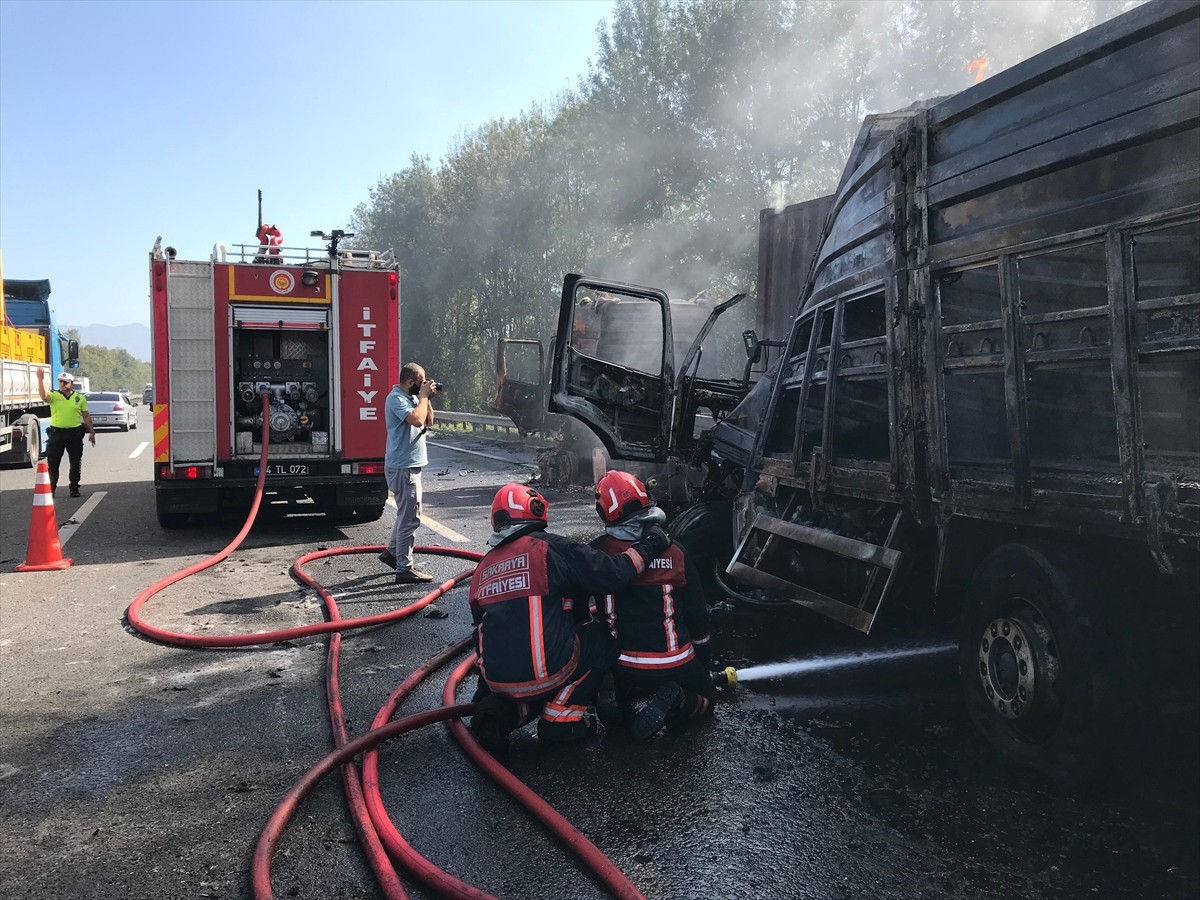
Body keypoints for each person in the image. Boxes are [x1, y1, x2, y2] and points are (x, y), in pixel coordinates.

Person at [468, 482, 671, 757]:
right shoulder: (551, 549)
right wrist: (651, 544)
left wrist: (485, 691)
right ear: (536, 510)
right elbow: (613, 574)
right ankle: (561, 719)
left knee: (527, 681)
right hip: (548, 672)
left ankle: (501, 716)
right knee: (600, 639)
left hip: (499, 682)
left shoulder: (482, 569)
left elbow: (482, 635)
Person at [587, 470, 716, 740]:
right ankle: (679, 701)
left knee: (596, 640)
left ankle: (613, 696)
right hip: (676, 662)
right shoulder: (676, 551)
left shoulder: (597, 554)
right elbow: (697, 614)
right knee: (707, 699)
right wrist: (701, 663)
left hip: (622, 665)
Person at [381, 362, 438, 583]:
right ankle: (404, 569)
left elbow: (428, 421)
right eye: (421, 382)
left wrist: (427, 398)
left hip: (411, 466)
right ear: (410, 381)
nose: (423, 385)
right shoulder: (396, 398)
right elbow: (416, 420)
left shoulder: (414, 398)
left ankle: (392, 553)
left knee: (406, 515)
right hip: (403, 468)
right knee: (410, 519)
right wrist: (422, 396)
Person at [36, 370, 96, 498]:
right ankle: (51, 489)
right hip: (56, 434)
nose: (63, 384)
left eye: (65, 382)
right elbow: (43, 396)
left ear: (71, 384)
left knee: (75, 462)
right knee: (53, 463)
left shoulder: (79, 398)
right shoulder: (54, 396)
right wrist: (40, 380)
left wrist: (91, 432)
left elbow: (86, 416)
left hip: (74, 434)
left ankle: (74, 487)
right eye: (60, 382)